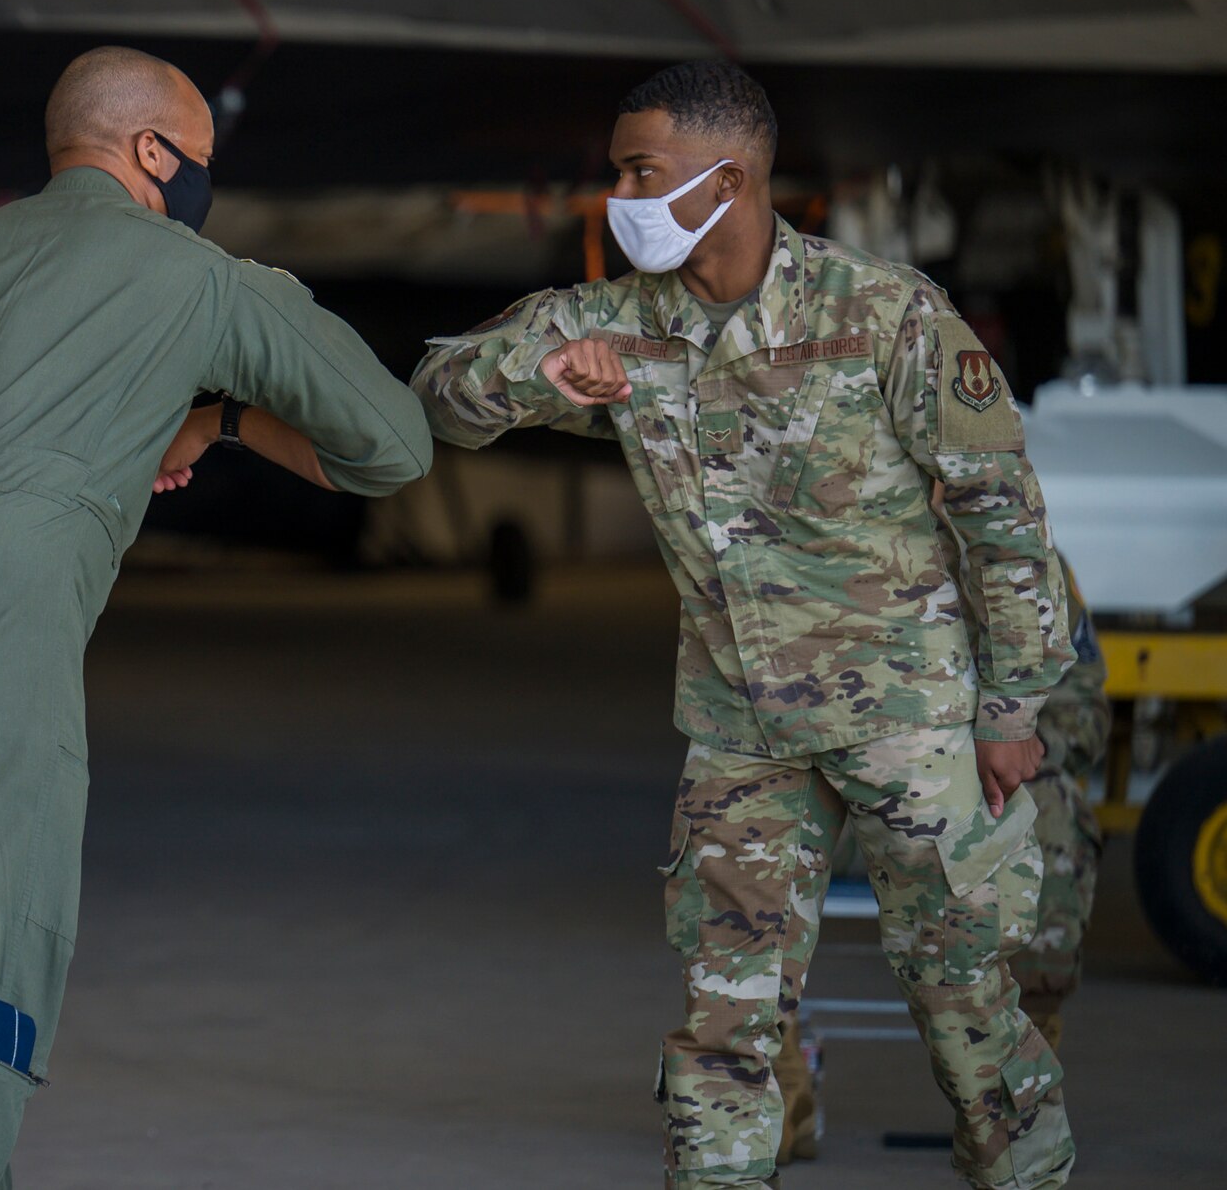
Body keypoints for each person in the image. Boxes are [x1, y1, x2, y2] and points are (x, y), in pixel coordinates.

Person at [0, 45, 431, 1189]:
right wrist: (224, 423)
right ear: (150, 151)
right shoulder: (196, 278)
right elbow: (390, 448)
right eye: (198, 160)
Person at [411, 60, 1077, 1190]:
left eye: (639, 172)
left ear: (727, 179)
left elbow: (999, 514)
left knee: (964, 1006)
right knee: (723, 1022)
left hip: (906, 722)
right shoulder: (616, 323)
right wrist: (539, 368)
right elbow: (434, 393)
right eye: (616, 169)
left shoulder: (881, 316)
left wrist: (1011, 707)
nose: (617, 196)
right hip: (738, 731)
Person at [772, 554, 1110, 1164]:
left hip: (976, 791)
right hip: (853, 794)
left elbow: (1081, 708)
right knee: (753, 834)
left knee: (1054, 814)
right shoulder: (835, 535)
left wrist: (1007, 750)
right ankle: (775, 1095)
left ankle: (1017, 1095)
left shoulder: (1016, 557)